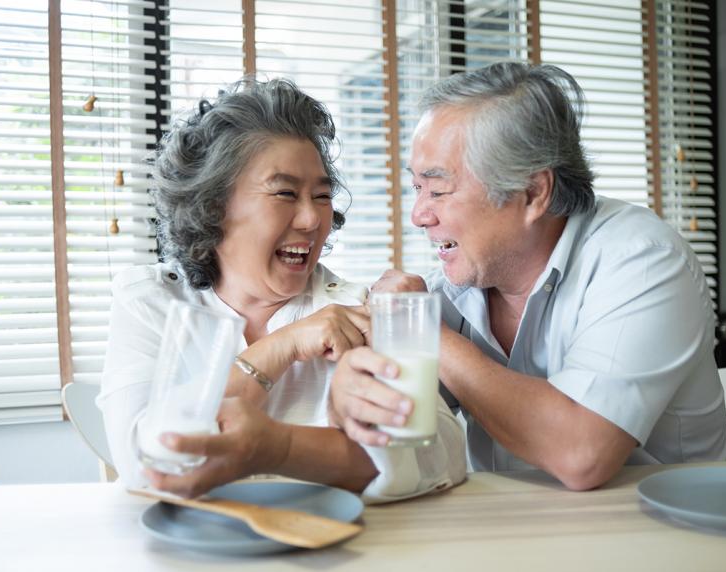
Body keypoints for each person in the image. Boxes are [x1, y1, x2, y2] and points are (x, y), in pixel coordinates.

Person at [328, 62, 726, 491]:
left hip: (666, 535)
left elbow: (581, 453)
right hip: (512, 536)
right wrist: (350, 398)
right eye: (417, 188)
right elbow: (390, 441)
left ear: (533, 192)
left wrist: (428, 335)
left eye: (439, 190)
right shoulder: (452, 290)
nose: (419, 215)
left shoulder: (644, 260)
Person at [97, 78, 466, 502]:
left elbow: (442, 457)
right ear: (212, 206)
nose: (311, 219)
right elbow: (145, 464)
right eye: (285, 193)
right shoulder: (151, 301)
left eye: (322, 195)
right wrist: (280, 348)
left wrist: (281, 447)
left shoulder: (355, 312)